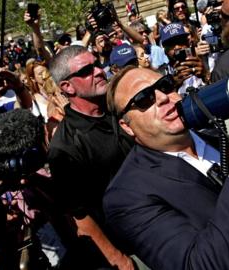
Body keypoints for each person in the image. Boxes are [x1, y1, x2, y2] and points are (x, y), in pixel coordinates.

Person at [104, 66, 229, 270]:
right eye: (144, 98)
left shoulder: (216, 135)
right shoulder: (126, 197)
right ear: (127, 126)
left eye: (165, 86)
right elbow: (197, 265)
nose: (163, 97)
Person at [47, 45, 134, 269]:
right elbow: (80, 215)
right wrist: (117, 258)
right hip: (132, 241)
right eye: (86, 70)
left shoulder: (120, 105)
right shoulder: (64, 148)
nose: (98, 71)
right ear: (67, 87)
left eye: (97, 64)